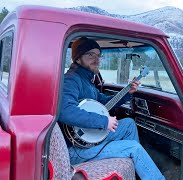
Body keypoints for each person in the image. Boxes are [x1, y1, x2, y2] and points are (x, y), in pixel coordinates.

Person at [59, 37, 165, 180]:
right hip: (75, 150)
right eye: (90, 54)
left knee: (128, 124)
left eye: (98, 55)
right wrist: (104, 121)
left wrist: (127, 93)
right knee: (134, 148)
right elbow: (65, 111)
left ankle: (131, 170)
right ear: (77, 58)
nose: (96, 59)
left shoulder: (86, 80)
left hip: (87, 138)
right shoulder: (72, 79)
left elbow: (104, 102)